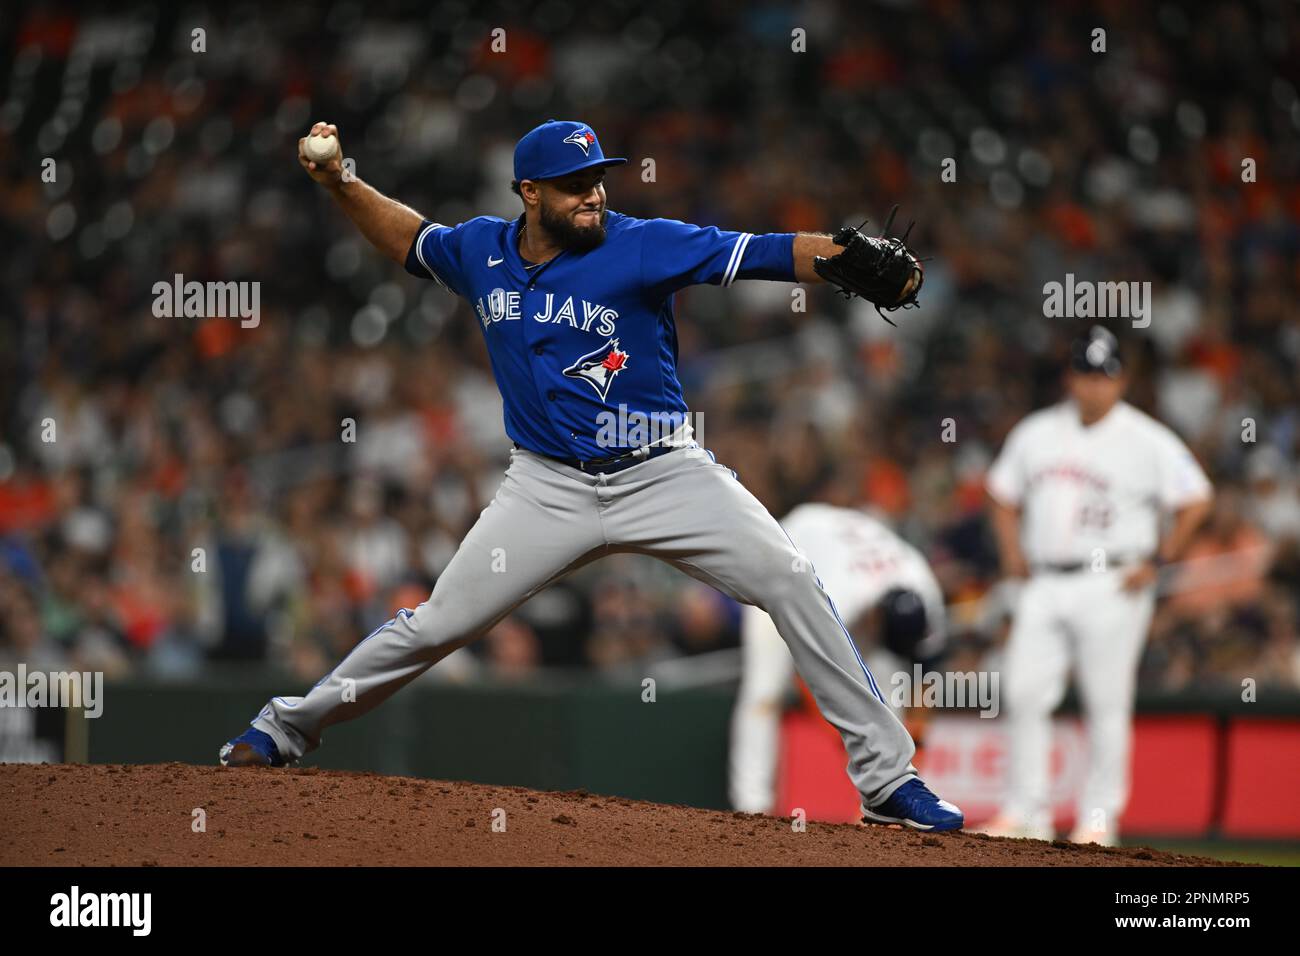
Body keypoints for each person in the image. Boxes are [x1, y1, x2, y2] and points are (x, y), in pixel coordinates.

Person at [217, 119, 962, 831]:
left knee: (790, 579)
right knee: (437, 623)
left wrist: (842, 256)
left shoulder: (643, 245)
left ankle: (887, 779)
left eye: (598, 180)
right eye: (574, 185)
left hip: (663, 473)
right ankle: (285, 728)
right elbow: (411, 241)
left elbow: (761, 251)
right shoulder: (481, 251)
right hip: (547, 488)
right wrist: (341, 181)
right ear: (529, 192)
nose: (594, 195)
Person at [980, 325, 1213, 845]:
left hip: (1113, 582)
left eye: (1102, 376)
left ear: (1121, 381)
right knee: (1022, 691)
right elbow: (1000, 495)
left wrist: (1161, 557)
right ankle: (1026, 812)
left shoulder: (1147, 438)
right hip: (1043, 579)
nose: (1092, 386)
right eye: (1084, 374)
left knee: (1105, 703)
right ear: (1070, 377)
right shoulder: (1036, 431)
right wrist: (1011, 550)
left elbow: (1197, 497)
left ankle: (1099, 820)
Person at [728, 497, 946, 817]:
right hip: (787, 555)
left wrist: (916, 740)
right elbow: (808, 676)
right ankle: (751, 805)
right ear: (874, 619)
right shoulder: (841, 598)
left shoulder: (926, 591)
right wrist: (849, 731)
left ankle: (887, 800)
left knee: (887, 684)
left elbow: (927, 674)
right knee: (764, 691)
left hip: (846, 552)